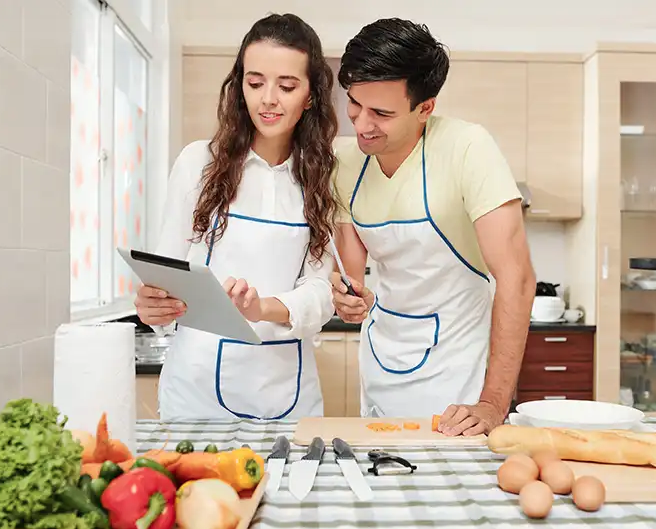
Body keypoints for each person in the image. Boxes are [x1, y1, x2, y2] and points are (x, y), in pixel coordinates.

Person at [331, 18, 536, 436]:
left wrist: (493, 403)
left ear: (425, 108)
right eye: (354, 103)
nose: (362, 124)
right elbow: (351, 275)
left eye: (382, 113)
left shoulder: (467, 149)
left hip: (458, 369)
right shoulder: (344, 164)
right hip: (383, 357)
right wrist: (345, 296)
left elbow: (517, 278)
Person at [134, 13, 338, 422]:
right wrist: (150, 305)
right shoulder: (198, 162)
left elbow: (321, 293)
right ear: (239, 84)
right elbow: (166, 271)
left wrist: (261, 307)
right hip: (196, 392)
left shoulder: (324, 176)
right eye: (255, 81)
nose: (268, 99)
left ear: (311, 95)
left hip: (284, 394)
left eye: (287, 86)